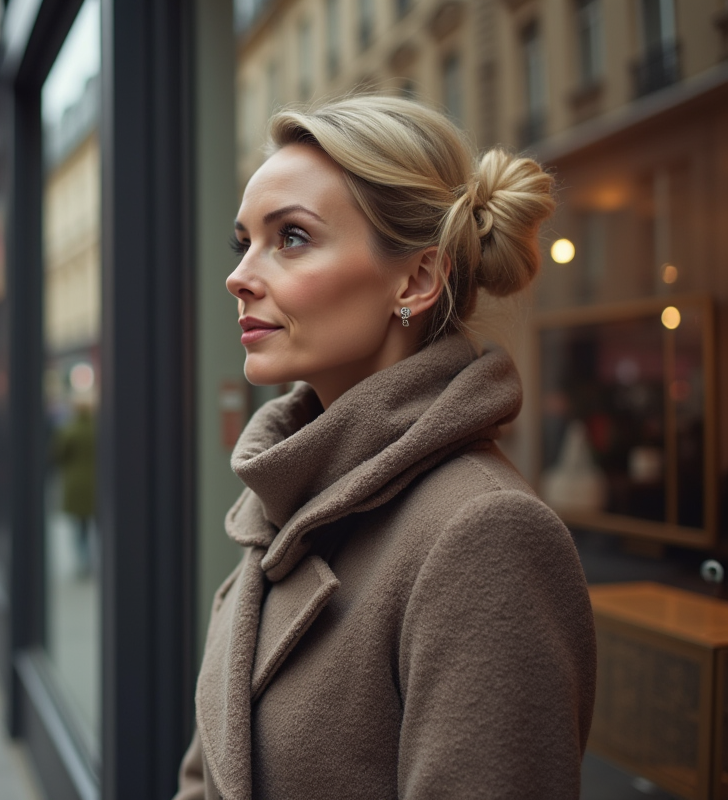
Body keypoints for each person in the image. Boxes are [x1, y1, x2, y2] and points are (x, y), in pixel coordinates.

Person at [175, 96, 596, 799]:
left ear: (416, 280)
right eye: (242, 241)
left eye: (292, 238)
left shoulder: (484, 534)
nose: (239, 275)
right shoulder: (283, 507)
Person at [52, 397, 96, 575]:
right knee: (99, 526)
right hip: (97, 484)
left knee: (80, 526)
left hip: (76, 484)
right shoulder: (99, 429)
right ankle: (95, 560)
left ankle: (84, 561)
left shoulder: (69, 431)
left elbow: (57, 455)